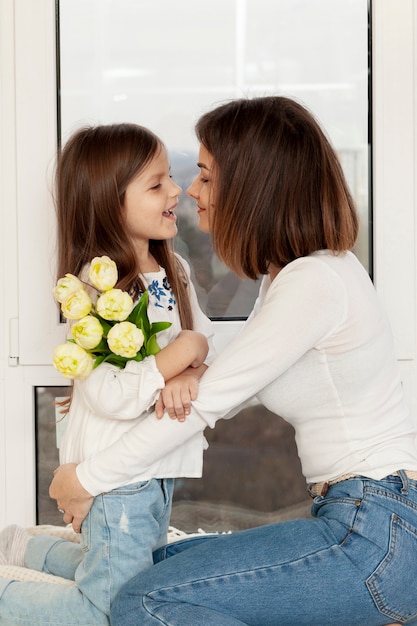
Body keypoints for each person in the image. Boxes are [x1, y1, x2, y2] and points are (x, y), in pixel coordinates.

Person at [46, 96, 417, 626]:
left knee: (144, 600)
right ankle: (31, 553)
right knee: (154, 570)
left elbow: (208, 402)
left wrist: (85, 478)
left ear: (253, 186)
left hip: (376, 533)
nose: (190, 191)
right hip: (362, 517)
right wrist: (194, 361)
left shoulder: (314, 284)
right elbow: (228, 363)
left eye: (205, 176)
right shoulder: (291, 276)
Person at [0, 123, 216, 626]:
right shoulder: (93, 293)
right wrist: (179, 355)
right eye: (157, 183)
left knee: (125, 568)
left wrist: (192, 361)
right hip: (119, 477)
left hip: (154, 469)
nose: (177, 190)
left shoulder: (175, 270)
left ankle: (25, 550)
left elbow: (204, 337)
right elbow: (112, 395)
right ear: (109, 202)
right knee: (110, 610)